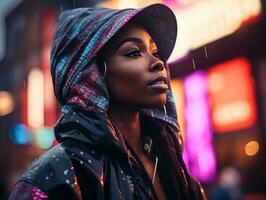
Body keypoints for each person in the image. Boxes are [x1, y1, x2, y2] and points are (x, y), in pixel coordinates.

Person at [9, 3, 206, 200]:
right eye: (133, 52)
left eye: (155, 52)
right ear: (91, 74)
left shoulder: (172, 167)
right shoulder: (51, 179)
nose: (158, 63)